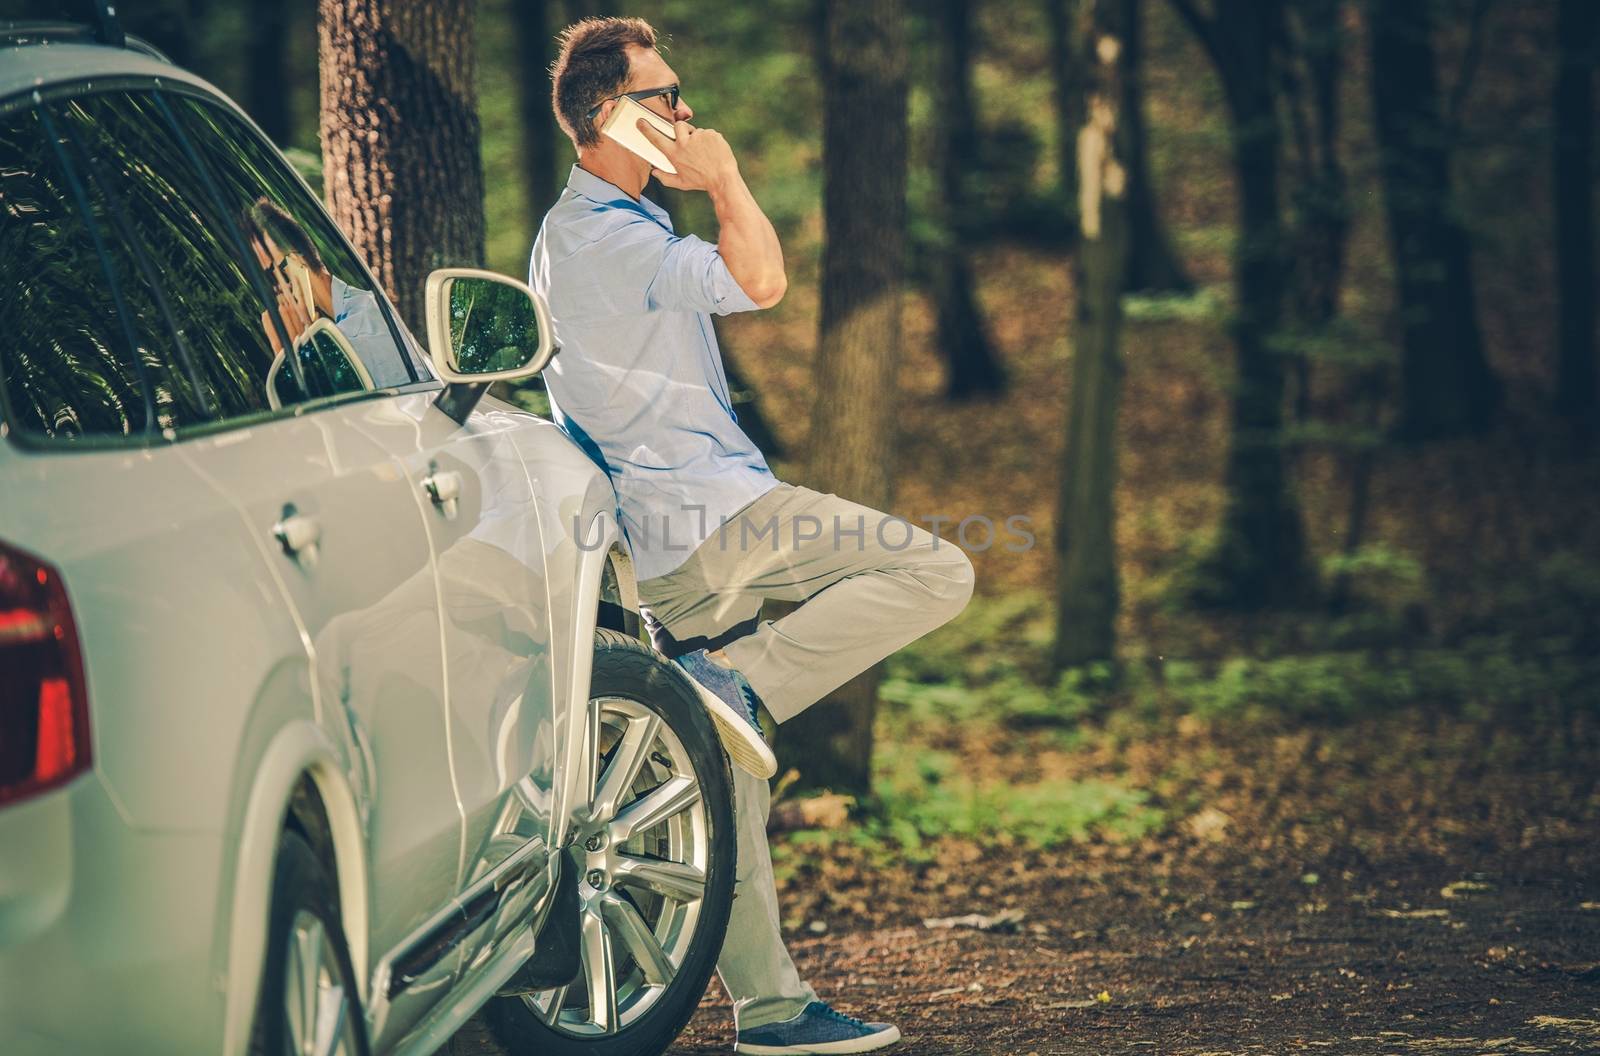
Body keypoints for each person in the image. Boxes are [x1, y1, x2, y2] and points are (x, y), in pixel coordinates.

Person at [531, 17, 974, 1055]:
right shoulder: (608, 240)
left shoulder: (593, 230)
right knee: (934, 570)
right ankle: (738, 683)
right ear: (607, 117)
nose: (687, 116)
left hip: (674, 537)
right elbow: (764, 281)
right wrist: (724, 179)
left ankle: (771, 1007)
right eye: (665, 98)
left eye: (682, 98)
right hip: (709, 517)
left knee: (718, 778)